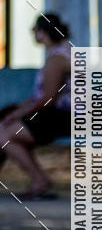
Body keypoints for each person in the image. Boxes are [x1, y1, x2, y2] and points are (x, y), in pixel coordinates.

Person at [0, 13, 71, 199]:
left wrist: (18, 114)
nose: (34, 35)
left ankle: (40, 180)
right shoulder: (63, 51)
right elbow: (39, 96)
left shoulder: (57, 59)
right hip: (62, 113)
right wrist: (17, 110)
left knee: (5, 135)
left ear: (42, 33)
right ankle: (39, 180)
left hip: (67, 117)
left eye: (35, 30)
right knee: (4, 118)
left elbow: (48, 98)